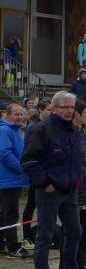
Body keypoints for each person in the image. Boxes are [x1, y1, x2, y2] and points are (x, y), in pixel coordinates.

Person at [21, 91, 86, 269]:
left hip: (70, 190)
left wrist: (83, 174)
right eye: (64, 107)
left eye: (71, 107)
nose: (69, 111)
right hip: (49, 192)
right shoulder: (41, 130)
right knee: (44, 237)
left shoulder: (73, 130)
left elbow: (71, 160)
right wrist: (45, 184)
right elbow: (28, 161)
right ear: (54, 109)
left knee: (75, 231)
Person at [59, 101, 86, 269]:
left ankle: (80, 264)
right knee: (71, 230)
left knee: (84, 228)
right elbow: (69, 159)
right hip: (74, 188)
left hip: (85, 188)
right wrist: (83, 173)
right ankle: (67, 267)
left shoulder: (81, 132)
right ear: (77, 114)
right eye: (85, 112)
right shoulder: (69, 133)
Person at [0, 103, 31, 258]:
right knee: (10, 213)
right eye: (16, 114)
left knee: (5, 213)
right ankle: (12, 246)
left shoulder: (14, 130)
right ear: (7, 115)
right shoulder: (5, 130)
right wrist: (21, 168)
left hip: (12, 179)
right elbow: (4, 153)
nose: (19, 117)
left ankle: (2, 244)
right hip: (9, 179)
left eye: (21, 114)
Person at [20, 99, 51, 251]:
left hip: (48, 173)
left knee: (43, 207)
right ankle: (27, 236)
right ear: (40, 110)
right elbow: (29, 154)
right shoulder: (34, 127)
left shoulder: (50, 126)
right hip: (37, 174)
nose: (51, 112)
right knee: (31, 204)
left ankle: (42, 234)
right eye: (49, 109)